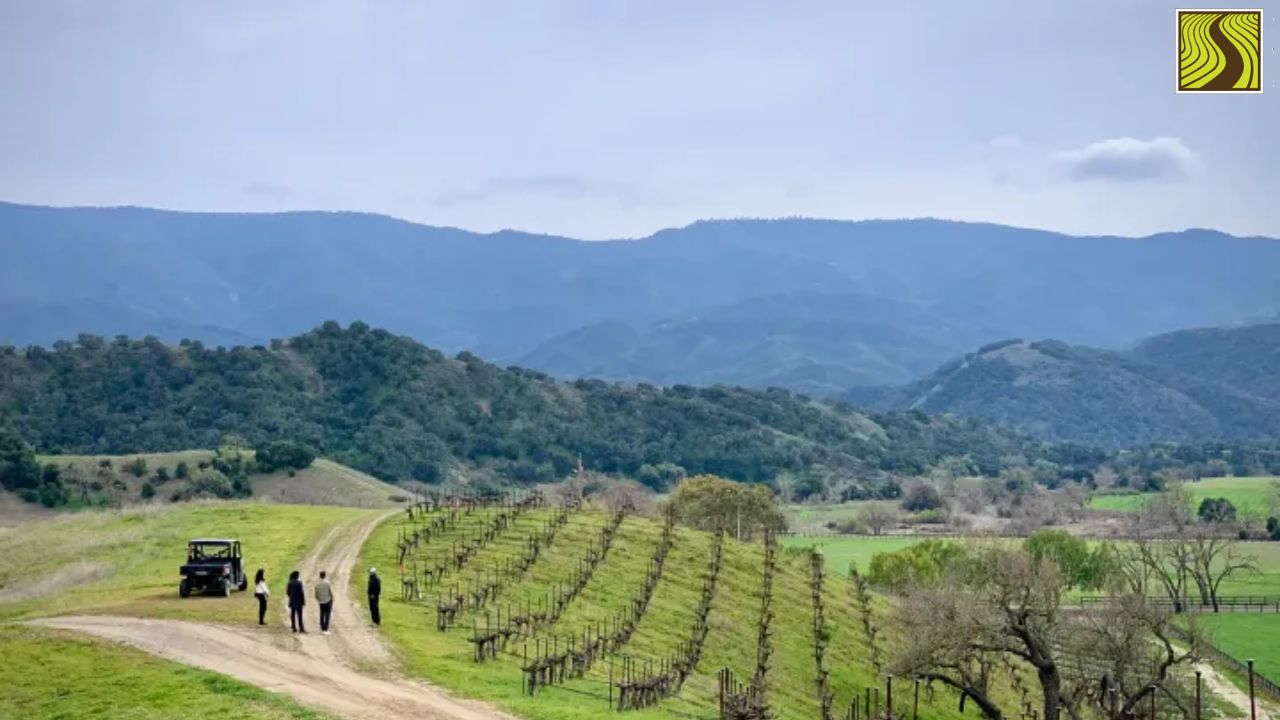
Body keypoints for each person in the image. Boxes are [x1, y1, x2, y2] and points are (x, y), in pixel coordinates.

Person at [314, 570, 334, 634]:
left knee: (322, 615)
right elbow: (330, 592)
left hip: (321, 602)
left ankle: (322, 628)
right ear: (325, 575)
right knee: (327, 615)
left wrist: (319, 599)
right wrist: (332, 598)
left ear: (320, 576)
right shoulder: (327, 583)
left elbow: (316, 595)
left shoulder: (317, 585)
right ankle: (326, 628)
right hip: (328, 600)